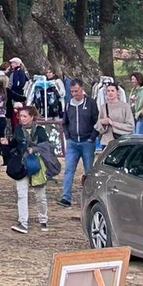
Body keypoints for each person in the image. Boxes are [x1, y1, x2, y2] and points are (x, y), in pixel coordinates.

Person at [2, 104, 49, 234]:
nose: (21, 119)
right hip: (22, 164)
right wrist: (7, 144)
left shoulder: (40, 130)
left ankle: (43, 219)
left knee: (40, 195)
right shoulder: (18, 129)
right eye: (20, 116)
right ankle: (23, 222)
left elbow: (46, 146)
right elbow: (15, 145)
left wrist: (34, 149)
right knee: (22, 194)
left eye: (24, 116)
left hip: (36, 164)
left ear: (31, 117)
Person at [58, 79, 96, 208]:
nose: (74, 94)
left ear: (82, 89)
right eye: (72, 91)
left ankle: (90, 197)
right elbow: (65, 122)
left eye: (76, 91)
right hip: (73, 142)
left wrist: (92, 137)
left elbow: (96, 121)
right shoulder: (69, 104)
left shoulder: (90, 103)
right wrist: (68, 136)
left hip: (87, 142)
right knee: (69, 170)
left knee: (89, 171)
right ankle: (66, 197)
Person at [96, 80, 134, 145]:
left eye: (112, 91)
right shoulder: (103, 107)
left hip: (122, 141)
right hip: (107, 142)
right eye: (108, 91)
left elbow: (130, 126)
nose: (110, 93)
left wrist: (113, 123)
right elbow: (98, 127)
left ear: (117, 92)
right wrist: (102, 122)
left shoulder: (125, 107)